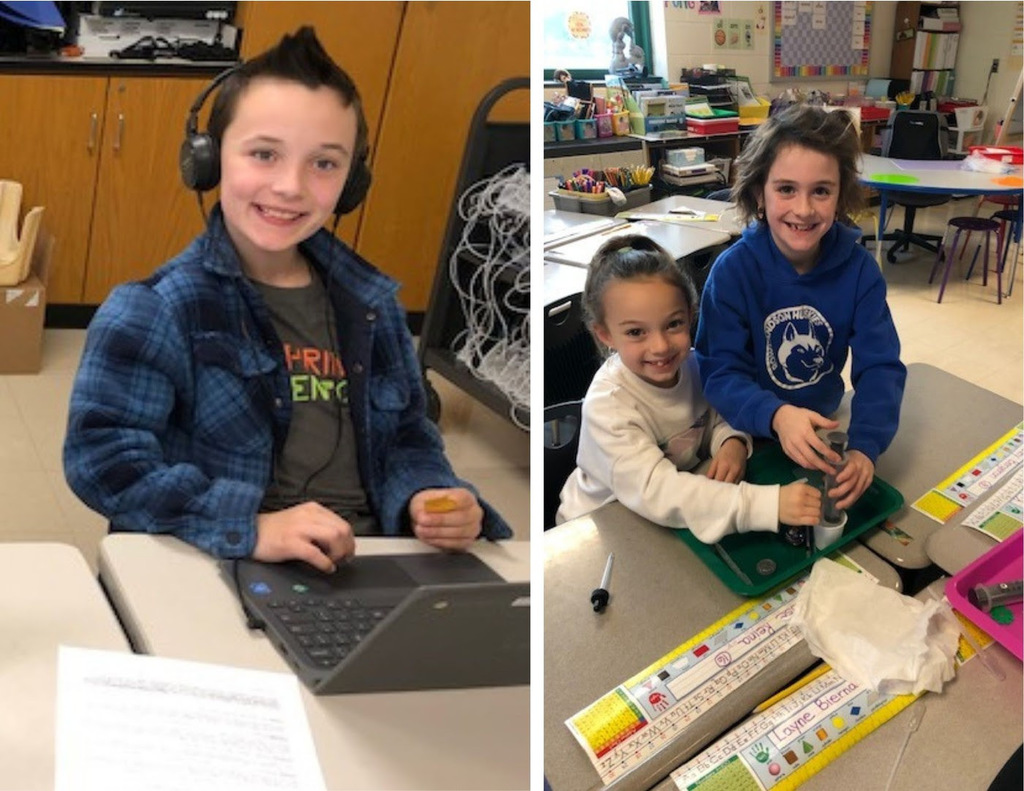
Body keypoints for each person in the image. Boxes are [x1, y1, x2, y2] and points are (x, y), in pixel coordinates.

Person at [63, 27, 511, 574]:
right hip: (226, 558)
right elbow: (104, 463)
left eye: (324, 164)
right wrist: (249, 524)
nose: (290, 186)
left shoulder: (375, 307)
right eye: (264, 154)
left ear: (352, 182)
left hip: (368, 561)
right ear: (207, 160)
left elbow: (407, 439)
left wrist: (429, 495)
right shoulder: (154, 310)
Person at [695, 104, 906, 511]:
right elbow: (719, 371)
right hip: (742, 428)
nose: (804, 209)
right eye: (786, 189)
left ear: (840, 194)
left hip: (823, 426)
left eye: (821, 191)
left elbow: (881, 366)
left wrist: (865, 446)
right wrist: (775, 415)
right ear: (759, 192)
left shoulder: (860, 271)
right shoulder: (733, 272)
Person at [557, 234, 821, 543]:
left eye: (673, 325)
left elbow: (717, 413)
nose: (660, 346)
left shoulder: (695, 365)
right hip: (597, 529)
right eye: (636, 332)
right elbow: (660, 492)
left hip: (666, 517)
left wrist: (731, 441)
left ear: (691, 316)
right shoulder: (608, 406)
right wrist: (767, 504)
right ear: (605, 335)